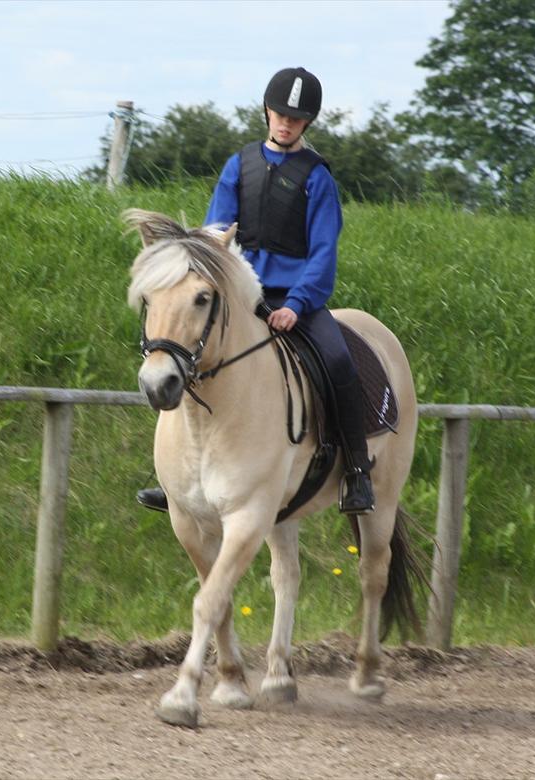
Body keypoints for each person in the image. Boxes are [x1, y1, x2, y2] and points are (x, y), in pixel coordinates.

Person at [137, 66, 376, 516]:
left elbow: (323, 254)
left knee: (339, 361)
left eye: (296, 118)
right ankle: (173, 478)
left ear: (307, 123)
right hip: (243, 297)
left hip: (296, 301)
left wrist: (298, 305)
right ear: (267, 111)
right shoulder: (239, 165)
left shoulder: (318, 178)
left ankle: (357, 472)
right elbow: (213, 237)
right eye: (280, 114)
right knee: (186, 354)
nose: (285, 123)